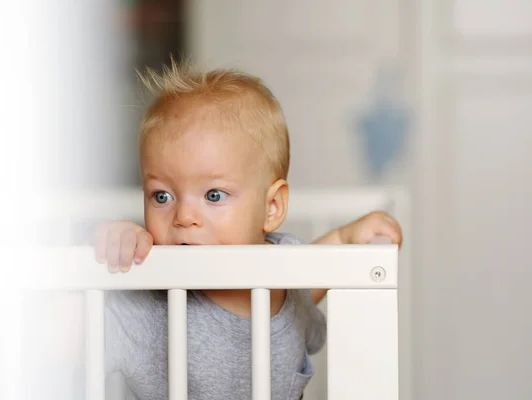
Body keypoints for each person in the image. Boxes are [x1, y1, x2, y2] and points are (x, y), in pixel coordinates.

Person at [93, 61, 403, 399]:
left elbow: (299, 291)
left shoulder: (284, 274)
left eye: (213, 195)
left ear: (272, 208)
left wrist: (343, 239)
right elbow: (55, 339)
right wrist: (105, 257)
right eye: (161, 196)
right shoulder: (148, 298)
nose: (183, 216)